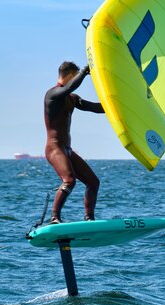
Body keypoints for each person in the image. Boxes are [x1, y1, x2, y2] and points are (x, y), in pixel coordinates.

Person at [44, 61, 105, 224]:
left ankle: (89, 219)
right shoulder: (53, 94)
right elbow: (68, 88)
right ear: (70, 75)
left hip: (67, 149)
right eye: (76, 75)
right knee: (69, 180)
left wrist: (119, 103)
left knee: (93, 182)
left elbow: (96, 108)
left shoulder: (72, 98)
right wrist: (85, 71)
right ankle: (54, 218)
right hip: (54, 148)